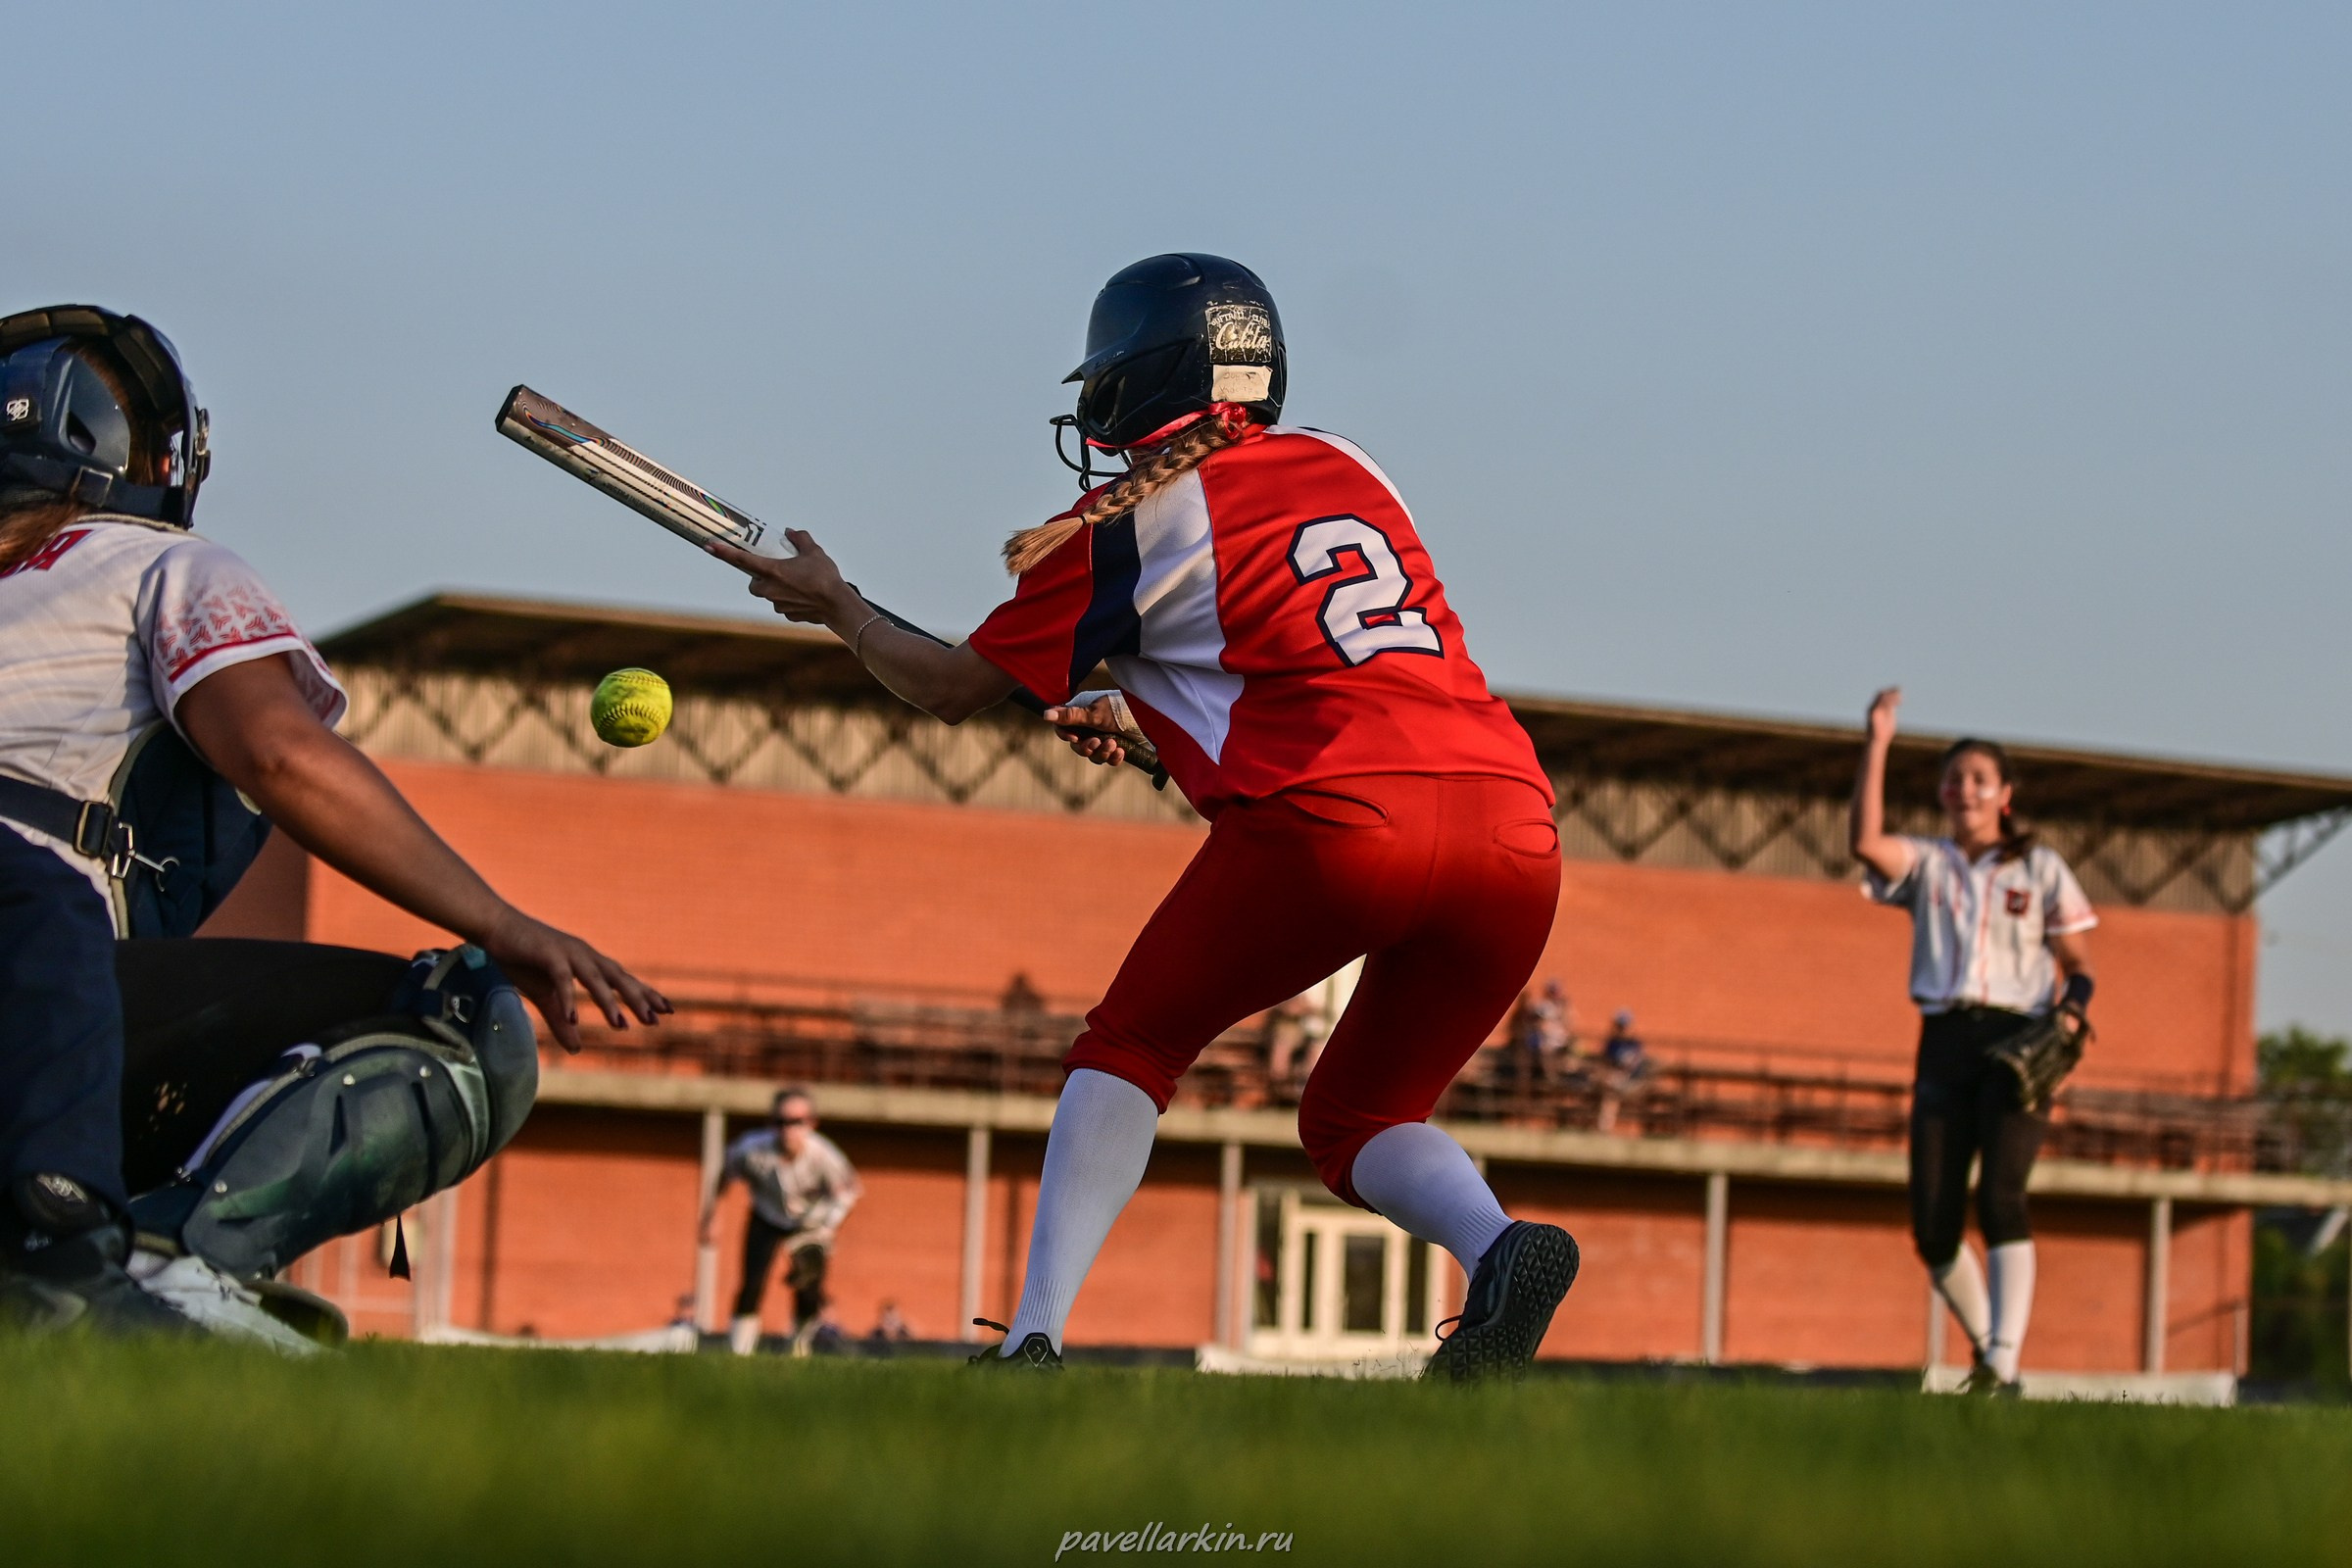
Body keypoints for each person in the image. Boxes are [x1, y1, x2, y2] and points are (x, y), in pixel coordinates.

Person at [710, 254, 1577, 1381]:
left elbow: (951, 686)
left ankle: (1032, 1334)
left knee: (1132, 1043)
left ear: (1137, 382)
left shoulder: (1123, 524)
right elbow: (1313, 660)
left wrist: (838, 608)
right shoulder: (1346, 463)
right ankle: (1501, 1247)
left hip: (1338, 824)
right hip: (1516, 830)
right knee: (1358, 1114)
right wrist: (1151, 719)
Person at [0, 305, 668, 1339]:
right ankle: (151, 1268)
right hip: (30, 980)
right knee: (461, 1014)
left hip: (35, 1018)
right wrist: (501, 921)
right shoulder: (159, 564)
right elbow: (280, 755)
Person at [1850, 686, 2097, 1395]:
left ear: (2005, 794)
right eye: (1955, 778)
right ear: (1941, 792)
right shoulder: (1928, 863)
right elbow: (1865, 844)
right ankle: (1995, 1350)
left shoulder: (2040, 867)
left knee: (2001, 1197)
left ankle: (2002, 1364)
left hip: (2019, 1039)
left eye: (1980, 779)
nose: (1965, 789)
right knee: (1932, 1223)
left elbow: (2078, 962)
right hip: (1945, 1038)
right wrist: (1877, 743)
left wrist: (2074, 1007)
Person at [700, 1087, 861, 1356]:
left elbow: (848, 1192)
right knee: (752, 1283)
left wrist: (823, 1228)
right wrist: (711, 1216)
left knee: (809, 1289)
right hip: (766, 1216)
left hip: (811, 1223)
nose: (789, 1129)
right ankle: (739, 1352)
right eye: (781, 1122)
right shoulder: (751, 1149)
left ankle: (798, 1345)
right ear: (771, 1123)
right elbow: (726, 1174)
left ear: (811, 1123)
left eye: (797, 1122)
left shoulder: (824, 1156)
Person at [1592, 1009, 1648, 1132]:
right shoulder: (1612, 1043)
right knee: (1609, 1092)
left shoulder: (1635, 1044)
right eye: (1619, 1026)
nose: (1621, 1029)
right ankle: (1604, 1127)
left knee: (1611, 1094)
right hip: (1612, 1080)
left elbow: (1635, 1067)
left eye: (1624, 1026)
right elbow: (1605, 1063)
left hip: (1632, 1082)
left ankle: (1604, 1128)